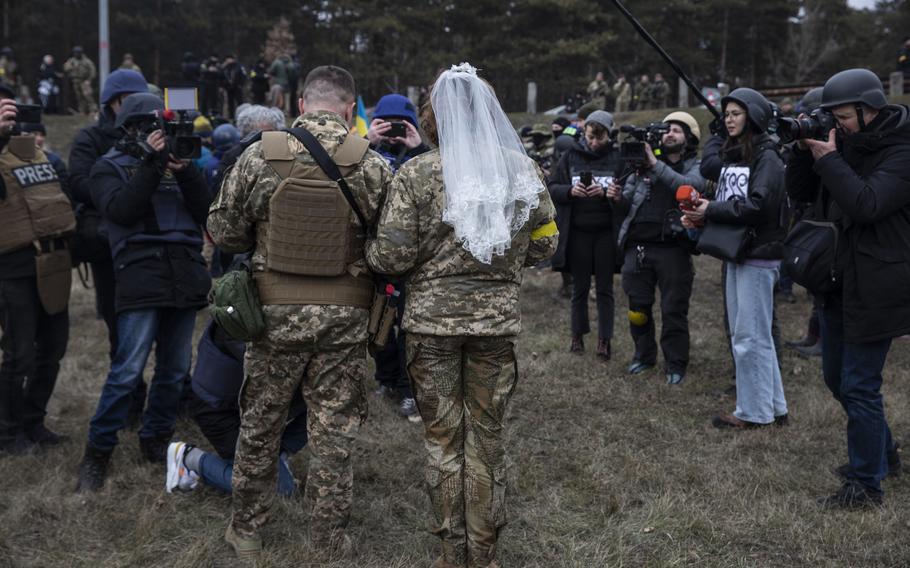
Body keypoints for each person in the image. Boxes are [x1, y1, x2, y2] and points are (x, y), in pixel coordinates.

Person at [366, 62, 557, 568]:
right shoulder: (522, 170)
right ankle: (485, 553)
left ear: (432, 118)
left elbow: (390, 258)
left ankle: (451, 553)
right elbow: (547, 242)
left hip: (431, 326)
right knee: (487, 438)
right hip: (495, 324)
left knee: (443, 438)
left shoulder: (418, 174)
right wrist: (506, 260)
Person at [208, 65, 392, 559]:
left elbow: (224, 233)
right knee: (334, 432)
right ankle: (329, 540)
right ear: (350, 109)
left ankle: (246, 531)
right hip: (346, 318)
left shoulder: (259, 156)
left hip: (273, 318)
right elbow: (392, 247)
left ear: (301, 105)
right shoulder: (371, 163)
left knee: (261, 424)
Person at [786, 69, 910, 508]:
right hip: (837, 281)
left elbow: (866, 204)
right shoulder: (845, 143)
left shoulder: (900, 151)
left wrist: (830, 158)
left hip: (877, 284)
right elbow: (799, 191)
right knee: (836, 378)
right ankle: (884, 455)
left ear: (869, 109)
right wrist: (805, 152)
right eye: (833, 119)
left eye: (844, 117)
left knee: (860, 385)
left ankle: (865, 486)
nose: (838, 126)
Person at [75, 93, 211, 491]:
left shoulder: (180, 163)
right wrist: (152, 165)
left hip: (184, 273)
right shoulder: (108, 167)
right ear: (132, 129)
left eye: (164, 128)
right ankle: (97, 454)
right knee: (127, 371)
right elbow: (121, 211)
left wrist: (184, 170)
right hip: (138, 273)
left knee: (173, 371)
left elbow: (207, 212)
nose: (160, 135)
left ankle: (155, 440)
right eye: (153, 127)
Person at [682, 88, 788, 429]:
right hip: (738, 253)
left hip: (758, 255)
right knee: (755, 335)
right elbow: (729, 193)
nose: (728, 119)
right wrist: (704, 213)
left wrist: (711, 208)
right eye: (725, 113)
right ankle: (774, 407)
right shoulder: (737, 154)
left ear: (754, 116)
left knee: (749, 337)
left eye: (735, 113)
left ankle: (753, 413)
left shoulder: (767, 157)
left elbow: (759, 206)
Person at [67, 69, 150, 421]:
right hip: (110, 247)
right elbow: (79, 183)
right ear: (114, 103)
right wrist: (119, 184)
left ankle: (172, 398)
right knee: (121, 331)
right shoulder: (90, 139)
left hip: (151, 241)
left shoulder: (154, 136)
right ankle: (130, 403)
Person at [0, 91, 76, 454]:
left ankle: (32, 421)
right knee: (19, 355)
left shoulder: (37, 152)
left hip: (52, 264)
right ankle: (8, 432)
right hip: (13, 270)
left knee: (53, 349)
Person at [608, 112, 705, 384]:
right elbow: (628, 200)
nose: (670, 134)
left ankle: (675, 363)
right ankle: (643, 356)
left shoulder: (694, 166)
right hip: (637, 249)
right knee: (637, 309)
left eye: (677, 130)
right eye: (667, 129)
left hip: (673, 249)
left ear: (689, 138)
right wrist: (616, 198)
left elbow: (689, 188)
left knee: (673, 309)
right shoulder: (642, 167)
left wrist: (654, 164)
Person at [165, 315, 307, 496]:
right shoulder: (239, 315)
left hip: (258, 411)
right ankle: (188, 458)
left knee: (335, 402)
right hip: (221, 413)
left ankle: (275, 456)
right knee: (279, 490)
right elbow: (271, 369)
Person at [366, 93, 430, 421]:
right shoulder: (363, 153)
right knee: (377, 321)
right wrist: (367, 140)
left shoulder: (422, 158)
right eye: (385, 123)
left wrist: (418, 147)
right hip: (372, 251)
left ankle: (409, 389)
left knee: (408, 325)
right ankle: (386, 378)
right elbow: (339, 174)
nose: (393, 132)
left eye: (399, 124)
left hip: (410, 256)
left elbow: (439, 184)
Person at [549, 110, 621, 358]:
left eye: (600, 139)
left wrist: (608, 194)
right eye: (591, 137)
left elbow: (626, 193)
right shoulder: (570, 156)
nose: (594, 143)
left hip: (605, 233)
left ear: (609, 135)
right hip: (578, 232)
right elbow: (552, 188)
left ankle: (604, 339)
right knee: (579, 288)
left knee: (604, 289)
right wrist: (570, 191)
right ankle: (577, 335)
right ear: (584, 133)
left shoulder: (617, 157)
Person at [63, 46, 97, 115]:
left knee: (88, 96)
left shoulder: (86, 61)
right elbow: (66, 68)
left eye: (78, 53)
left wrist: (89, 80)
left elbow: (93, 70)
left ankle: (93, 110)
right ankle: (82, 111)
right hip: (75, 80)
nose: (76, 54)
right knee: (79, 97)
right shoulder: (72, 60)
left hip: (84, 80)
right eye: (75, 53)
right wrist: (71, 66)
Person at [221, 55, 246, 119]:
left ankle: (241, 116)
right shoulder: (225, 67)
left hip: (237, 87)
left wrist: (241, 84)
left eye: (230, 59)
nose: (228, 60)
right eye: (227, 59)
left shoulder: (239, 66)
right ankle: (231, 117)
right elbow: (221, 75)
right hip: (228, 88)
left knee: (240, 103)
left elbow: (243, 75)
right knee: (230, 104)